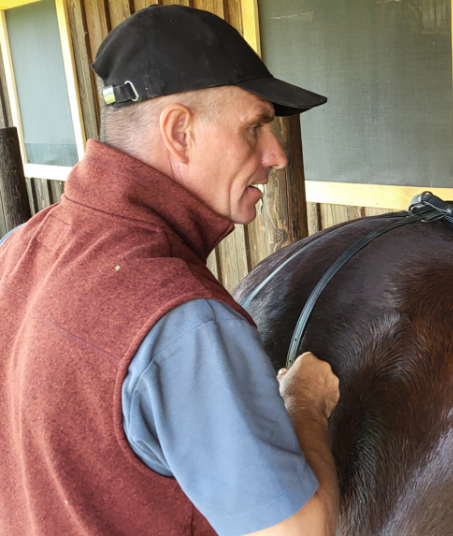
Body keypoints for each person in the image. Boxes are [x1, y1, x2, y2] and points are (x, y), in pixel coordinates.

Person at [0, 6, 340, 536]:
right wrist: (305, 403)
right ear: (179, 131)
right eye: (255, 127)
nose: (275, 154)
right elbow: (298, 531)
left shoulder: (20, 246)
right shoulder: (185, 325)